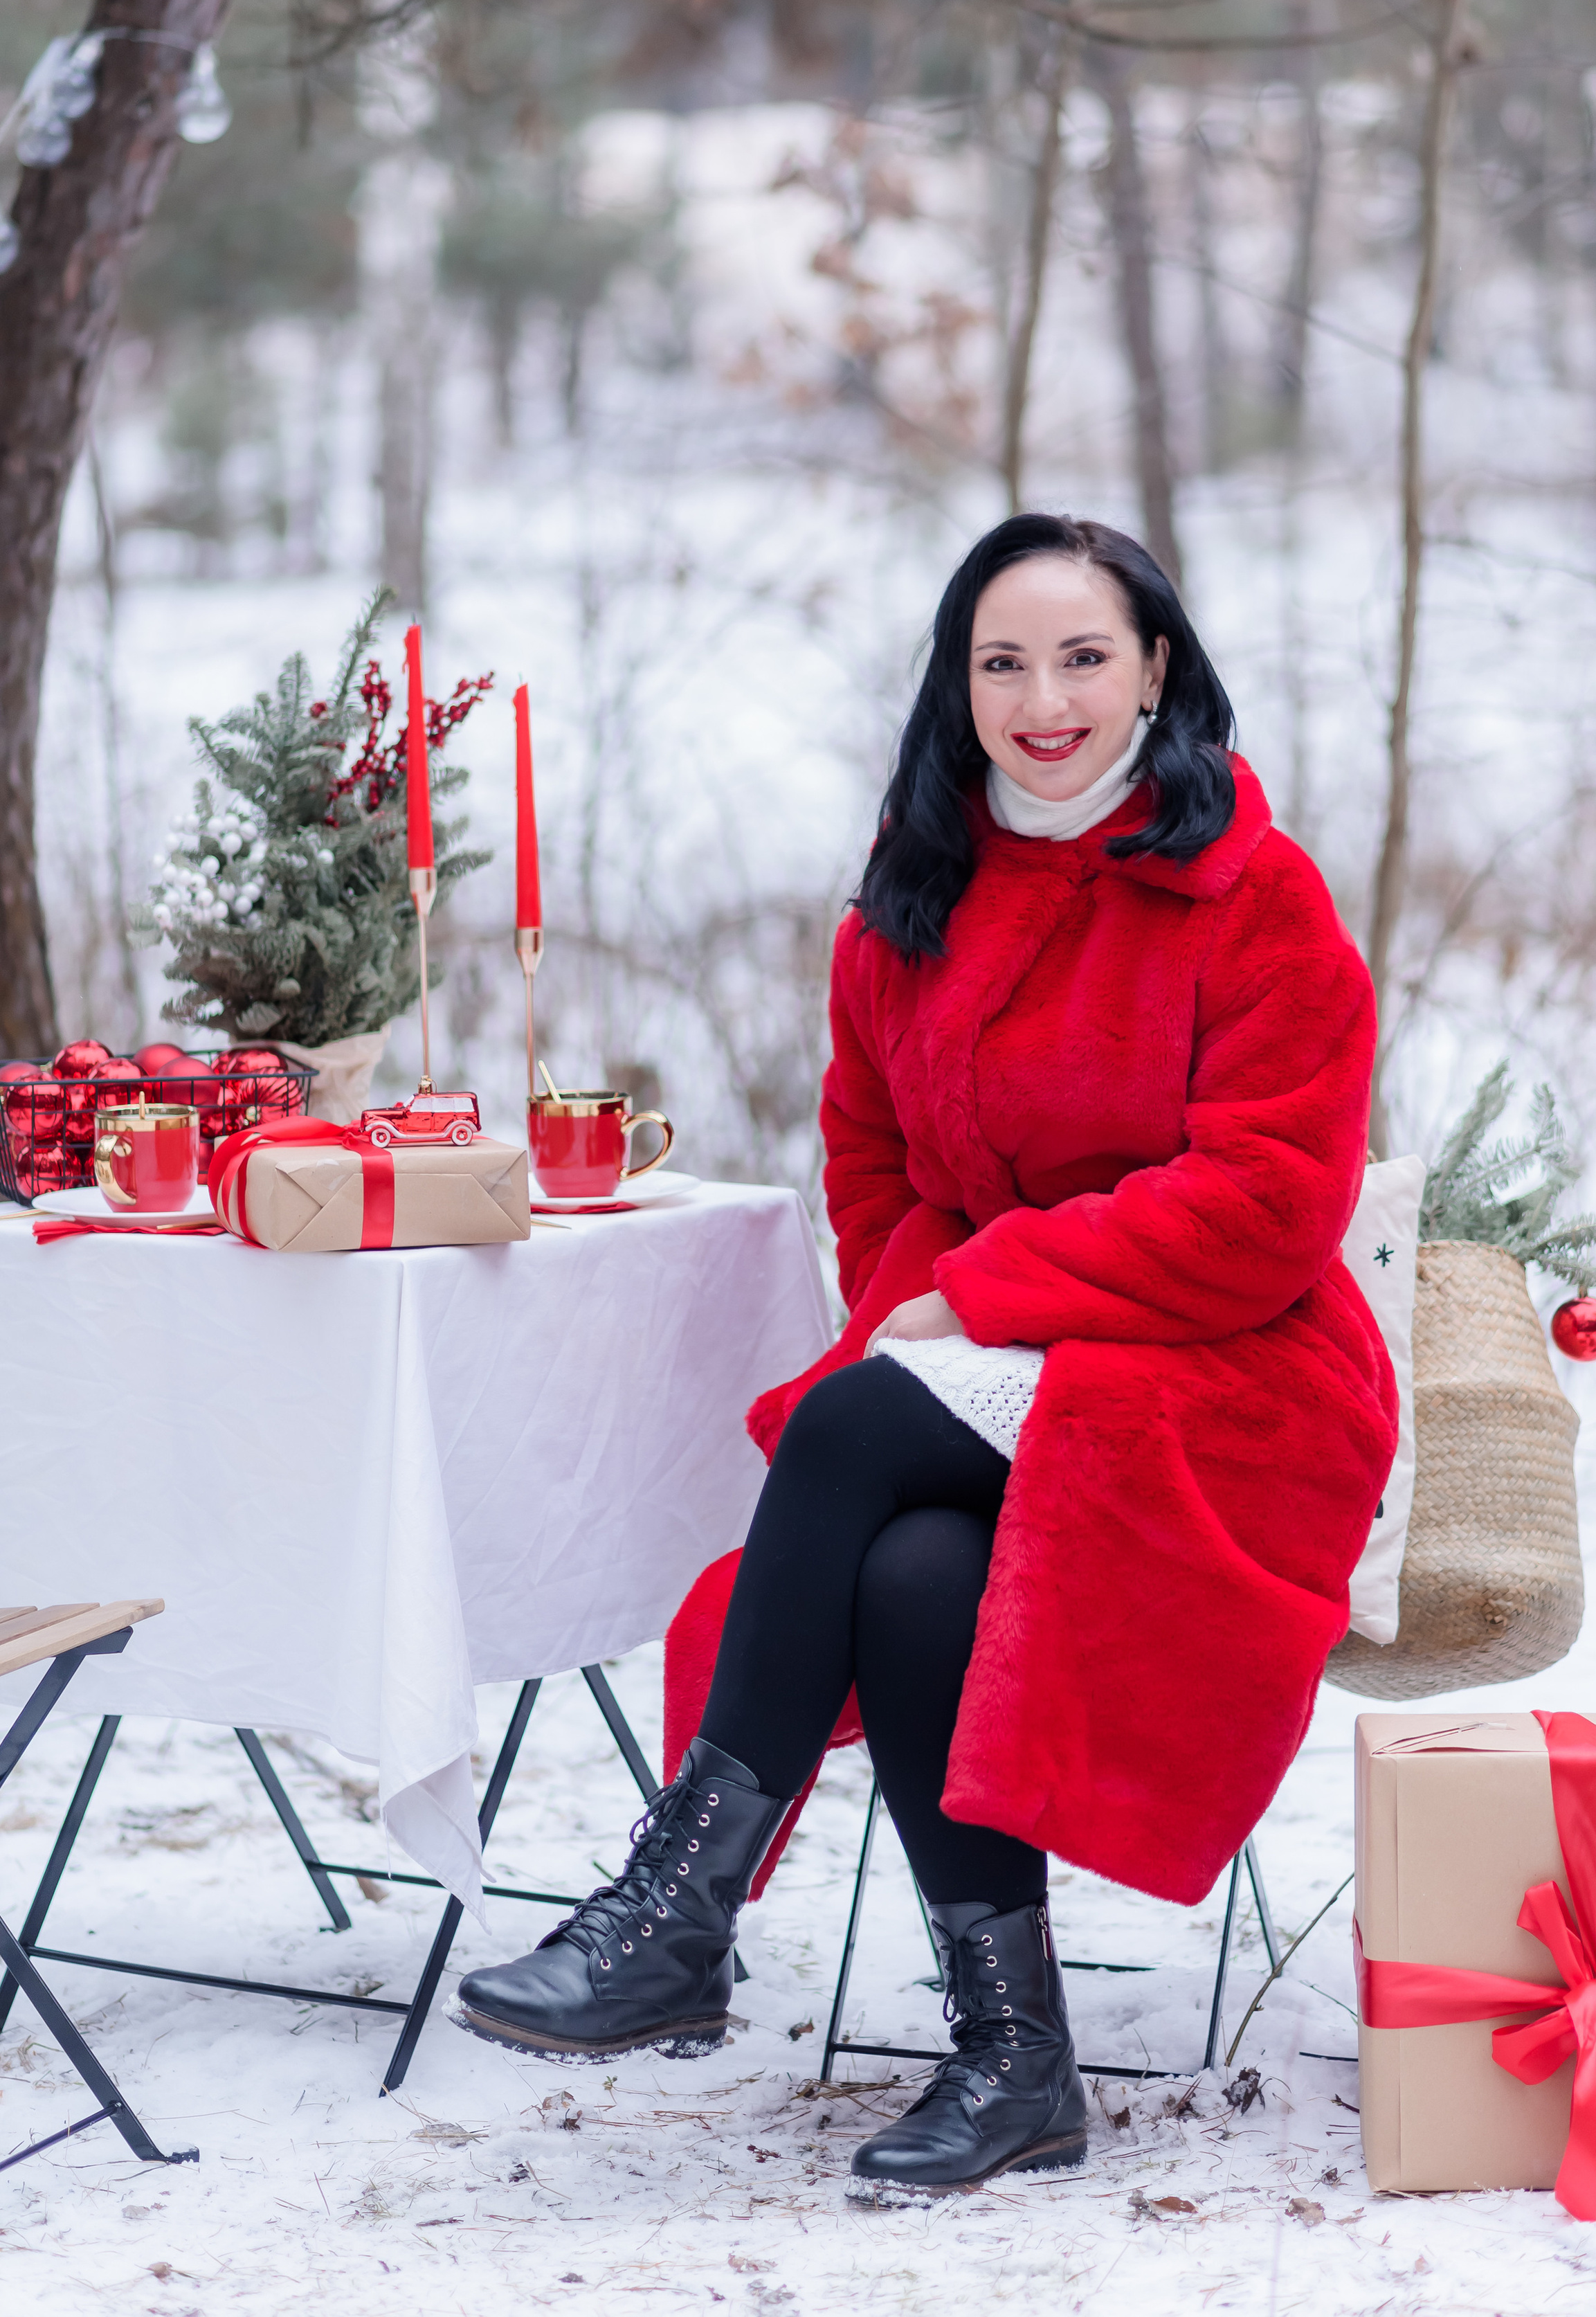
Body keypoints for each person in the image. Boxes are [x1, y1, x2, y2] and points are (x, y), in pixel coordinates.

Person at [454, 514, 1395, 2201]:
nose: (1044, 699)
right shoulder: (909, 895)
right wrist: (934, 1297)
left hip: (1230, 1375)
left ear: (1157, 671)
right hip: (990, 1368)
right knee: (908, 1572)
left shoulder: (1255, 895)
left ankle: (682, 1905)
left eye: (1085, 657)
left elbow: (1266, 1207)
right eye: (1002, 662)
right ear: (956, 687)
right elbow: (872, 1176)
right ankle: (1016, 2063)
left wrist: (980, 1296)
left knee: (846, 1436)